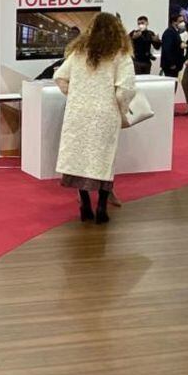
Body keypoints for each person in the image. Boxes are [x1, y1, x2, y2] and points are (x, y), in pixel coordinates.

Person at [53, 12, 136, 225]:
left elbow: (60, 77)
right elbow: (124, 90)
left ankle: (85, 205)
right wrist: (123, 110)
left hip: (78, 112)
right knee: (103, 159)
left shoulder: (79, 52)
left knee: (80, 158)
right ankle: (101, 207)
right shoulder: (121, 54)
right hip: (105, 114)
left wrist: (77, 94)